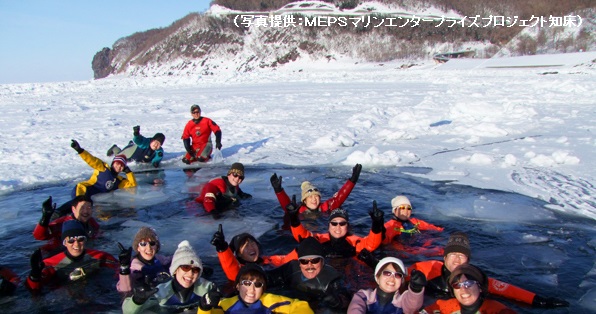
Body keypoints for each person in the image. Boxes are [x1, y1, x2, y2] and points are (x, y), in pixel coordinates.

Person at [409, 231, 569, 308]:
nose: (457, 259)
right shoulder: (427, 269)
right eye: (452, 254)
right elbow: (391, 277)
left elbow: (508, 290)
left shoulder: (475, 278)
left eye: (461, 255)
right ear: (444, 258)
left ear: (468, 260)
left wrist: (540, 300)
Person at [122, 240, 219, 313]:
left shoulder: (207, 288)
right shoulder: (160, 293)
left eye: (196, 269)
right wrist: (137, 300)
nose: (190, 273)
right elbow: (127, 312)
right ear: (176, 270)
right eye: (185, 267)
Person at [25, 220, 118, 292]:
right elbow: (34, 290)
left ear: (85, 240)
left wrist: (125, 264)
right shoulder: (50, 263)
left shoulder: (100, 256)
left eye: (80, 239)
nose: (76, 245)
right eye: (71, 241)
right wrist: (34, 275)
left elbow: (118, 269)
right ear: (64, 243)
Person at [264, 237, 352, 312]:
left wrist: (336, 301)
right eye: (304, 261)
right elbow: (266, 278)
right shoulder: (290, 269)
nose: (309, 265)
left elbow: (346, 300)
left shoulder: (333, 278)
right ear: (299, 263)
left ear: (322, 261)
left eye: (315, 261)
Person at [55, 139, 137, 216]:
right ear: (113, 163)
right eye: (117, 163)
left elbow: (132, 185)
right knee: (80, 203)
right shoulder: (103, 168)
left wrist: (129, 172)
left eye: (122, 166)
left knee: (86, 209)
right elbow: (91, 160)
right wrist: (80, 150)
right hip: (83, 189)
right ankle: (57, 213)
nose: (119, 167)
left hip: (91, 198)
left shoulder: (119, 181)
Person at [197, 264, 314, 313]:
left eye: (258, 285)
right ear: (237, 286)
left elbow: (301, 306)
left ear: (263, 289)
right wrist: (203, 307)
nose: (252, 290)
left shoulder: (270, 301)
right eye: (247, 283)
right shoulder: (225, 304)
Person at [288, 199, 384, 258]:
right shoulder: (320, 239)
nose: (338, 227)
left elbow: (371, 245)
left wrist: (376, 224)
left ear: (347, 226)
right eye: (334, 223)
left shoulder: (354, 242)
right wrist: (293, 219)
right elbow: (303, 237)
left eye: (342, 223)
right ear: (329, 226)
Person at [210, 224, 298, 281]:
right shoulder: (242, 270)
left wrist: (302, 248)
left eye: (252, 243)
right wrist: (222, 249)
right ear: (239, 254)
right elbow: (233, 272)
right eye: (246, 246)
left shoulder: (267, 260)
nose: (251, 247)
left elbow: (286, 260)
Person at [422, 264, 516, 314]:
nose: (463, 289)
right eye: (457, 285)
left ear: (480, 287)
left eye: (469, 283)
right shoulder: (445, 306)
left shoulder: (498, 310)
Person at [270, 163, 362, 214]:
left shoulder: (326, 207)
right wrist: (279, 190)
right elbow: (287, 207)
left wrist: (352, 180)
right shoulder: (298, 210)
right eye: (310, 197)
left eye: (316, 196)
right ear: (304, 201)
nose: (314, 199)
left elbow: (340, 198)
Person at [348, 257, 426, 314]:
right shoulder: (363, 296)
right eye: (387, 273)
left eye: (398, 275)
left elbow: (412, 306)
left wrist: (416, 288)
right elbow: (355, 309)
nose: (392, 278)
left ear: (401, 281)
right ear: (377, 277)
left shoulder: (403, 300)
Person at [116, 227, 172, 293]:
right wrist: (124, 268)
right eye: (143, 244)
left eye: (152, 243)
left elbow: (173, 260)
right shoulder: (134, 268)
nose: (149, 248)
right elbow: (124, 289)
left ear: (157, 246)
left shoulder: (161, 259)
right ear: (138, 248)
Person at [33, 195, 100, 245]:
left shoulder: (91, 221)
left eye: (89, 208)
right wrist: (45, 217)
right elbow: (39, 236)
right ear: (73, 209)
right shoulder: (62, 223)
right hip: (57, 253)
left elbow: (97, 233)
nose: (86, 211)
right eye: (82, 208)